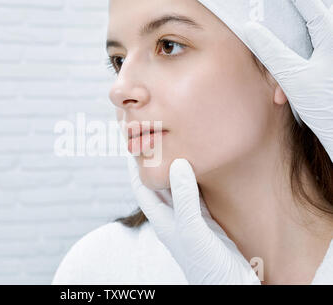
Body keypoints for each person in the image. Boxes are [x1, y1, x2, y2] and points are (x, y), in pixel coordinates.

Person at [52, 0, 333, 285]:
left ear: (280, 67)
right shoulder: (100, 269)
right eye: (119, 61)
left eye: (168, 45)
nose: (120, 90)